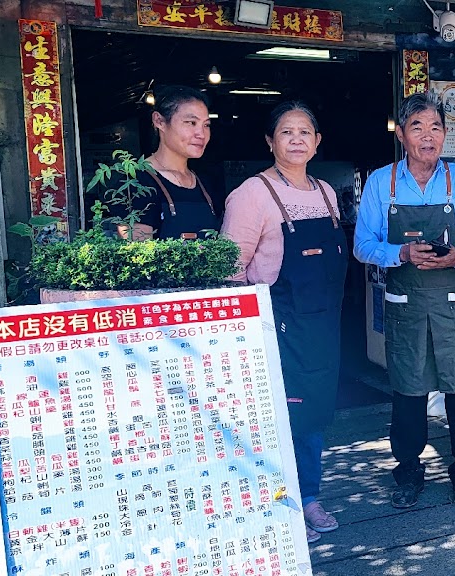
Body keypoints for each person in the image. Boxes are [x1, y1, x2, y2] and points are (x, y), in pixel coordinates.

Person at [354, 91, 455, 510]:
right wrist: (400, 253)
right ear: (402, 134)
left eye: (436, 127)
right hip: (406, 304)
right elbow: (363, 244)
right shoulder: (383, 182)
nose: (428, 136)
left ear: (446, 134)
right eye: (418, 127)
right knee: (409, 394)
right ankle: (409, 473)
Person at [220, 101, 348, 545]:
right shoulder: (252, 194)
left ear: (317, 142)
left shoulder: (327, 193)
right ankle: (278, 505)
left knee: (311, 417)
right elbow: (229, 269)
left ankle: (308, 496)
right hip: (275, 327)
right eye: (286, 132)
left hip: (321, 328)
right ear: (270, 141)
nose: (296, 140)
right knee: (275, 418)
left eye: (305, 132)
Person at [115, 85, 221, 239]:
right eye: (191, 123)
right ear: (159, 121)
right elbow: (138, 257)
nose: (201, 134)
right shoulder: (135, 183)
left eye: (206, 125)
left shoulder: (205, 183)